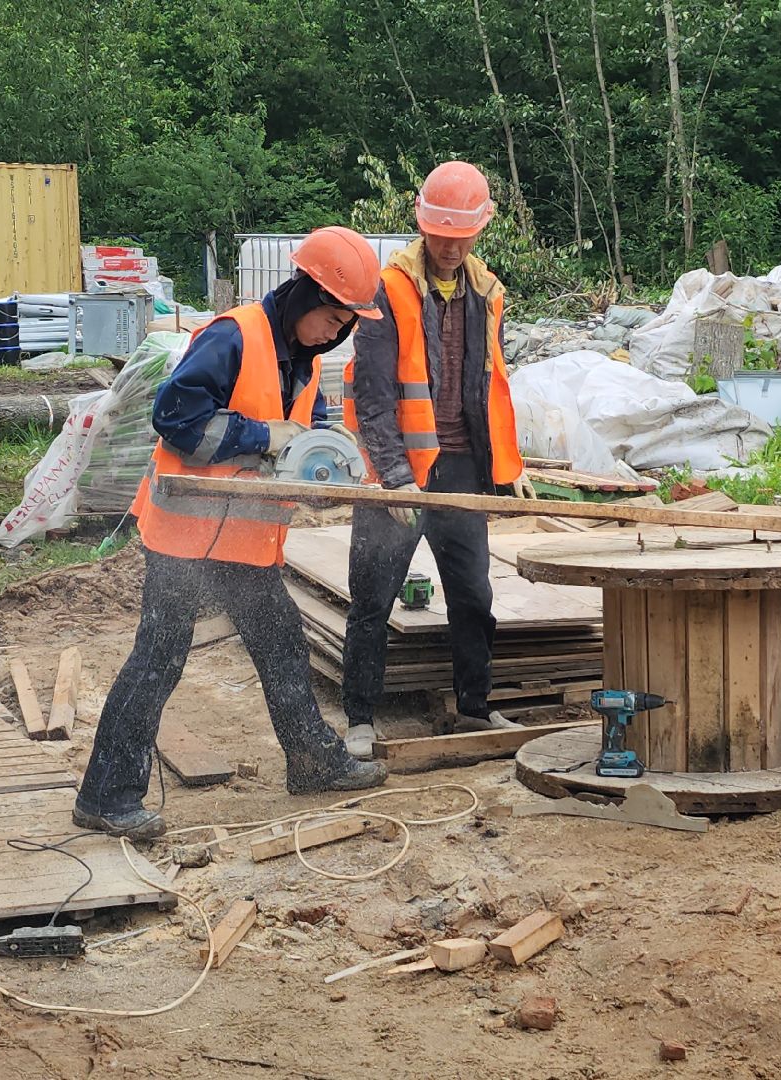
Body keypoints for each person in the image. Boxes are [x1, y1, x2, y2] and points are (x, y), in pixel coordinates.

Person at [73, 226, 389, 838]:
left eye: (346, 324)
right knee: (158, 660)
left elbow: (300, 429)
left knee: (282, 647)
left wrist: (315, 454)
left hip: (244, 538)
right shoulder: (231, 336)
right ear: (303, 293)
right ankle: (105, 795)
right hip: (186, 537)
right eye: (331, 318)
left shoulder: (303, 357)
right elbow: (175, 420)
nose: (336, 332)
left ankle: (311, 760)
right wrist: (260, 437)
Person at [338, 161, 531, 759]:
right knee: (372, 597)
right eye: (439, 233)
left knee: (473, 595)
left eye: (461, 235)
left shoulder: (487, 290)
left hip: (461, 465)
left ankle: (474, 705)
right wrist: (394, 478)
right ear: (421, 225)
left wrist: (505, 469)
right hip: (395, 470)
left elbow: (487, 383)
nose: (449, 245)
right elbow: (372, 394)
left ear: (480, 229)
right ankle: (361, 718)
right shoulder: (386, 287)